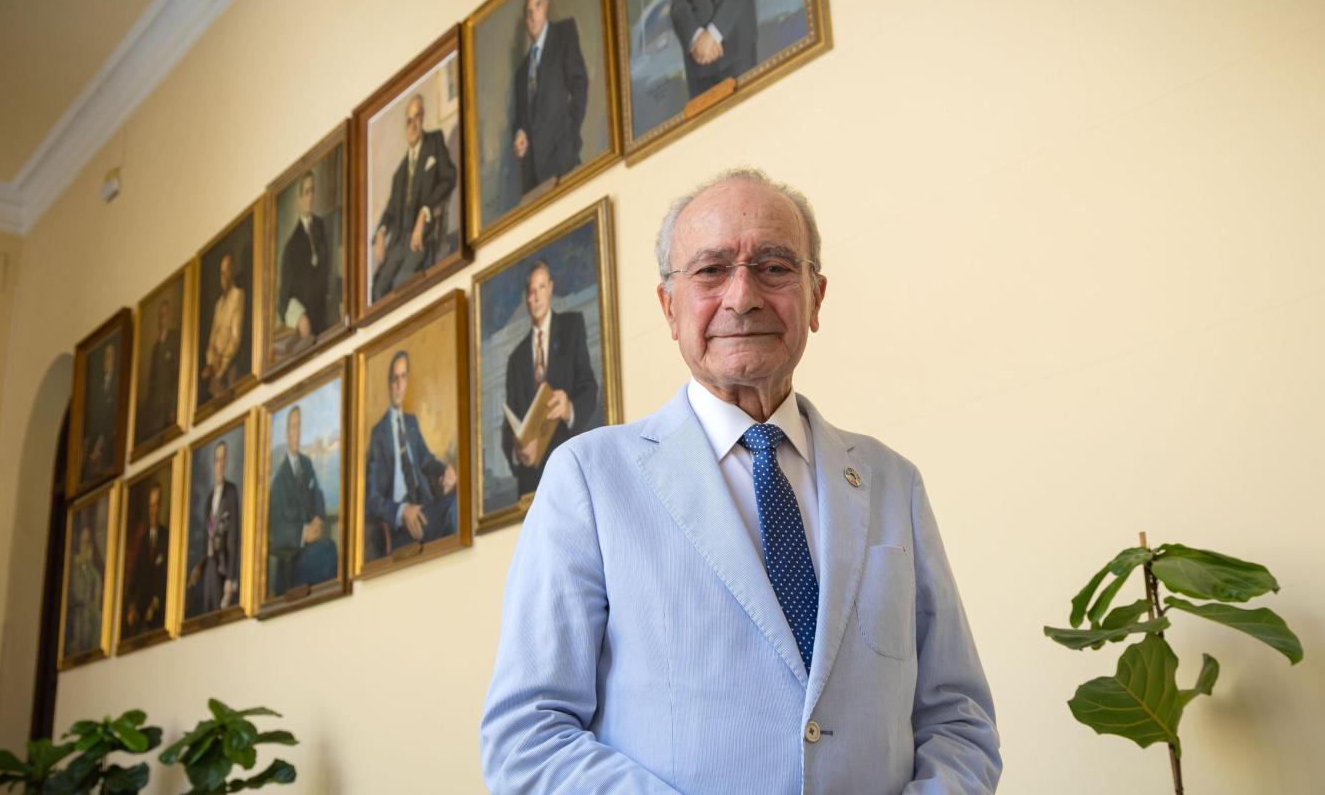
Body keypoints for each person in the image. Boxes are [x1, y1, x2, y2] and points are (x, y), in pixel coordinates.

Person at [481, 170, 1000, 793]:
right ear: (669, 308)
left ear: (816, 297)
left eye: (775, 267)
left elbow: (958, 720)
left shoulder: (894, 483)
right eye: (711, 270)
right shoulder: (589, 480)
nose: (743, 296)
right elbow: (529, 737)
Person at [501, 258, 601, 499]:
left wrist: (570, 409)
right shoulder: (516, 358)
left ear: (551, 288)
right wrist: (518, 451)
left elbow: (589, 387)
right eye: (531, 291)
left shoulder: (572, 326)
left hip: (571, 468)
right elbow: (508, 425)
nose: (535, 297)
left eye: (541, 287)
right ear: (526, 298)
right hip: (532, 485)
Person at [363, 350, 458, 560]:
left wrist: (445, 471)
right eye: (394, 379)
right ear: (389, 384)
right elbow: (372, 498)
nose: (399, 385)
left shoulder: (411, 423)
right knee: (454, 509)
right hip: (401, 526)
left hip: (425, 508)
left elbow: (427, 461)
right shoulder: (378, 434)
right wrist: (402, 511)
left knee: (459, 503)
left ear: (407, 381)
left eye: (403, 377)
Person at [371, 94, 457, 299]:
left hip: (423, 236)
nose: (413, 125)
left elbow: (449, 177)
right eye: (408, 121)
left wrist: (424, 212)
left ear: (423, 117)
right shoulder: (400, 173)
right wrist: (381, 233)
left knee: (401, 284)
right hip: (399, 241)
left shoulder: (434, 142)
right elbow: (391, 211)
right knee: (378, 289)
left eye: (417, 117)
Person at [510, 0, 589, 198]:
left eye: (537, 6)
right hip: (533, 179)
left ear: (546, 5)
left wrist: (570, 137)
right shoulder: (521, 72)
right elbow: (521, 119)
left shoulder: (564, 34)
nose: (532, 16)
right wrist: (519, 133)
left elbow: (580, 84)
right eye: (528, 12)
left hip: (563, 162)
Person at [267, 405, 339, 593]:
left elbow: (319, 496)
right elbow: (277, 530)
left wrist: (319, 518)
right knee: (327, 552)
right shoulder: (279, 481)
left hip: (313, 548)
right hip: (292, 559)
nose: (297, 433)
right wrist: (303, 533)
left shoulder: (307, 464)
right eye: (293, 427)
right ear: (287, 433)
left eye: (299, 426)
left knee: (329, 548)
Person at [186, 439, 241, 617]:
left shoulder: (231, 491)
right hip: (209, 565)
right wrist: (199, 567)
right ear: (213, 464)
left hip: (222, 566)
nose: (220, 464)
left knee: (218, 616)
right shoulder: (210, 497)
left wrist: (231, 577)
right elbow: (208, 537)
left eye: (223, 459)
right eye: (217, 460)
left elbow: (233, 537)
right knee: (206, 611)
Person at [278, 170, 335, 340]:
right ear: (299, 199)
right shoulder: (291, 247)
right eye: (306, 193)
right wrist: (300, 317)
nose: (310, 198)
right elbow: (283, 301)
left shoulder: (322, 226)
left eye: (312, 191)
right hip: (308, 326)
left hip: (327, 315)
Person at [121, 479, 169, 638]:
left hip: (158, 613)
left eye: (156, 505)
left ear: (161, 506)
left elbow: (166, 578)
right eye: (150, 506)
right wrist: (131, 607)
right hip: (140, 611)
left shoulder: (166, 537)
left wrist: (155, 604)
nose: (153, 510)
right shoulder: (142, 540)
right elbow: (135, 576)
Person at [202, 252, 247, 398]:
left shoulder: (238, 295)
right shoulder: (218, 304)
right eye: (221, 273)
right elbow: (212, 339)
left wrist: (220, 367)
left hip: (228, 367)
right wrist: (210, 363)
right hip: (215, 368)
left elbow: (235, 339)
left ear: (232, 271)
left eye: (227, 271)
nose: (224, 276)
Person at [138, 297, 181, 438]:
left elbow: (177, 374)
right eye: (161, 315)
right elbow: (152, 382)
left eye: (165, 315)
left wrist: (173, 406)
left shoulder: (175, 339)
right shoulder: (155, 348)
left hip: (168, 404)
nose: (163, 319)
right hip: (155, 409)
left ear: (169, 317)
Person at [82, 341, 119, 478]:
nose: (107, 361)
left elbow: (113, 418)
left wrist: (101, 442)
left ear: (114, 360)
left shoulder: (117, 385)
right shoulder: (99, 386)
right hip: (95, 437)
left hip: (108, 438)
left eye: (110, 357)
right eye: (105, 357)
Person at [67, 522, 103, 653]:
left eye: (89, 543)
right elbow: (78, 595)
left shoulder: (92, 571)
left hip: (90, 616)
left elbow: (97, 584)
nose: (87, 547)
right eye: (85, 543)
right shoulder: (74, 568)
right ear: (80, 545)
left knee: (97, 618)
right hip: (78, 617)